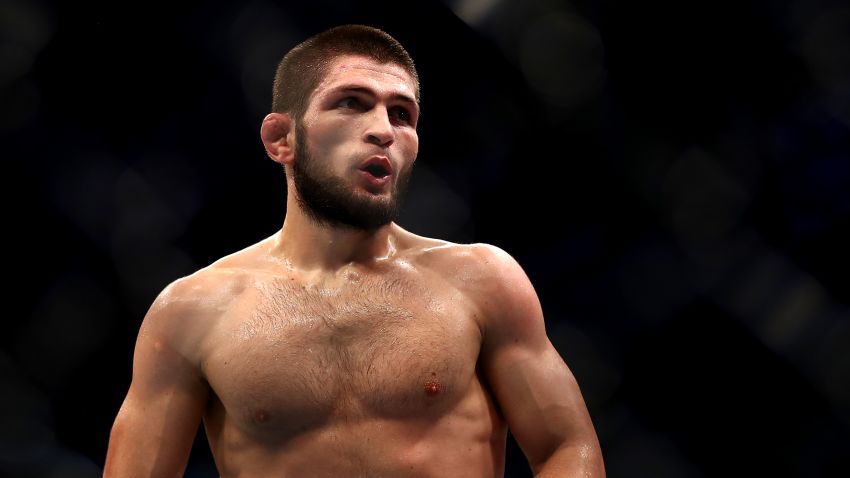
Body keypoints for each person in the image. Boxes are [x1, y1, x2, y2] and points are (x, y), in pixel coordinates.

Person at [104, 24, 605, 477]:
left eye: (402, 114)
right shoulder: (193, 311)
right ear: (281, 138)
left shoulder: (481, 280)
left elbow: (567, 447)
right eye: (351, 102)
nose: (384, 130)